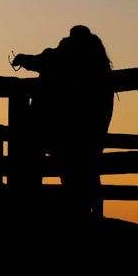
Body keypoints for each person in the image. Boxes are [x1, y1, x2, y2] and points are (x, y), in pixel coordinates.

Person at [11, 25, 114, 221]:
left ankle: (31, 213)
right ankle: (91, 217)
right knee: (87, 173)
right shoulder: (97, 58)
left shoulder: (65, 52)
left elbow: (44, 61)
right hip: (91, 131)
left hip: (60, 130)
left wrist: (23, 59)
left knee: (64, 170)